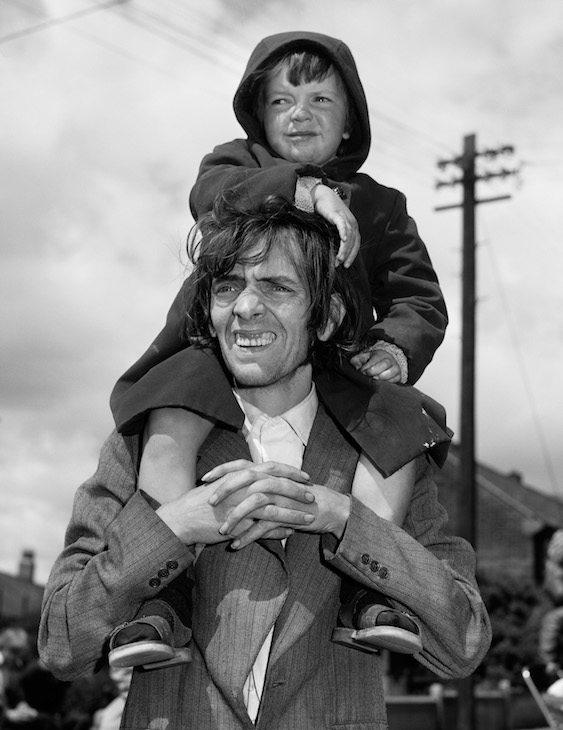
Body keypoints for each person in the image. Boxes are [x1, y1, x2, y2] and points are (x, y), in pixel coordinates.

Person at [39, 195, 491, 729]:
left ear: (327, 317)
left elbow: (463, 641)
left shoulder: (385, 456)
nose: (245, 307)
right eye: (227, 287)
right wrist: (171, 528)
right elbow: (62, 643)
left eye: (276, 287)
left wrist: (346, 520)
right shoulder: (142, 442)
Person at [106, 31, 449, 668]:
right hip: (209, 352)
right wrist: (305, 190)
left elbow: (419, 297)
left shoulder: (380, 206)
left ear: (351, 123)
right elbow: (213, 195)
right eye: (282, 100)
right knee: (171, 414)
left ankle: (371, 592)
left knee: (403, 420)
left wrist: (396, 351)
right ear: (257, 114)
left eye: (321, 99)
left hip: (337, 360)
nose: (300, 113)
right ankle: (164, 598)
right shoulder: (230, 166)